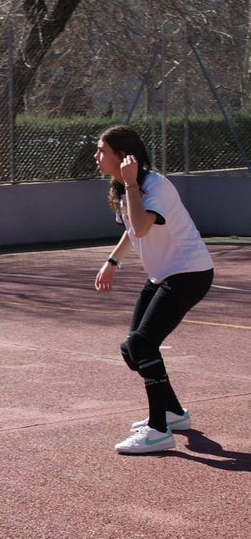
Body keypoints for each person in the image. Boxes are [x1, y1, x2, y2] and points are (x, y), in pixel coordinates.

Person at [92, 125, 214, 455]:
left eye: (102, 150)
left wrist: (131, 183)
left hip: (189, 272)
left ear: (123, 156)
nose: (96, 156)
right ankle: (173, 413)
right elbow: (132, 229)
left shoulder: (154, 186)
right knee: (133, 349)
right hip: (164, 275)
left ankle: (159, 430)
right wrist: (113, 261)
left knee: (142, 344)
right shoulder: (124, 188)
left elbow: (142, 227)